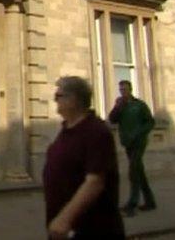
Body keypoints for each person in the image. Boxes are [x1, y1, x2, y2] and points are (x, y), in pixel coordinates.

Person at [43, 76, 125, 240]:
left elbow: (95, 181)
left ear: (73, 99)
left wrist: (65, 218)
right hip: (68, 229)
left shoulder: (96, 132)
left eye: (58, 96)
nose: (55, 100)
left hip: (92, 228)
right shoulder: (68, 129)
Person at [108, 79, 156, 217]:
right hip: (128, 143)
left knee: (133, 170)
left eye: (125, 89)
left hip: (139, 143)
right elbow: (112, 119)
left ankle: (132, 203)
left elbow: (150, 122)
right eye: (121, 90)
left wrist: (139, 133)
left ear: (130, 90)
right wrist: (118, 107)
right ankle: (150, 201)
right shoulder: (121, 106)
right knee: (139, 170)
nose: (123, 92)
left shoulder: (139, 105)